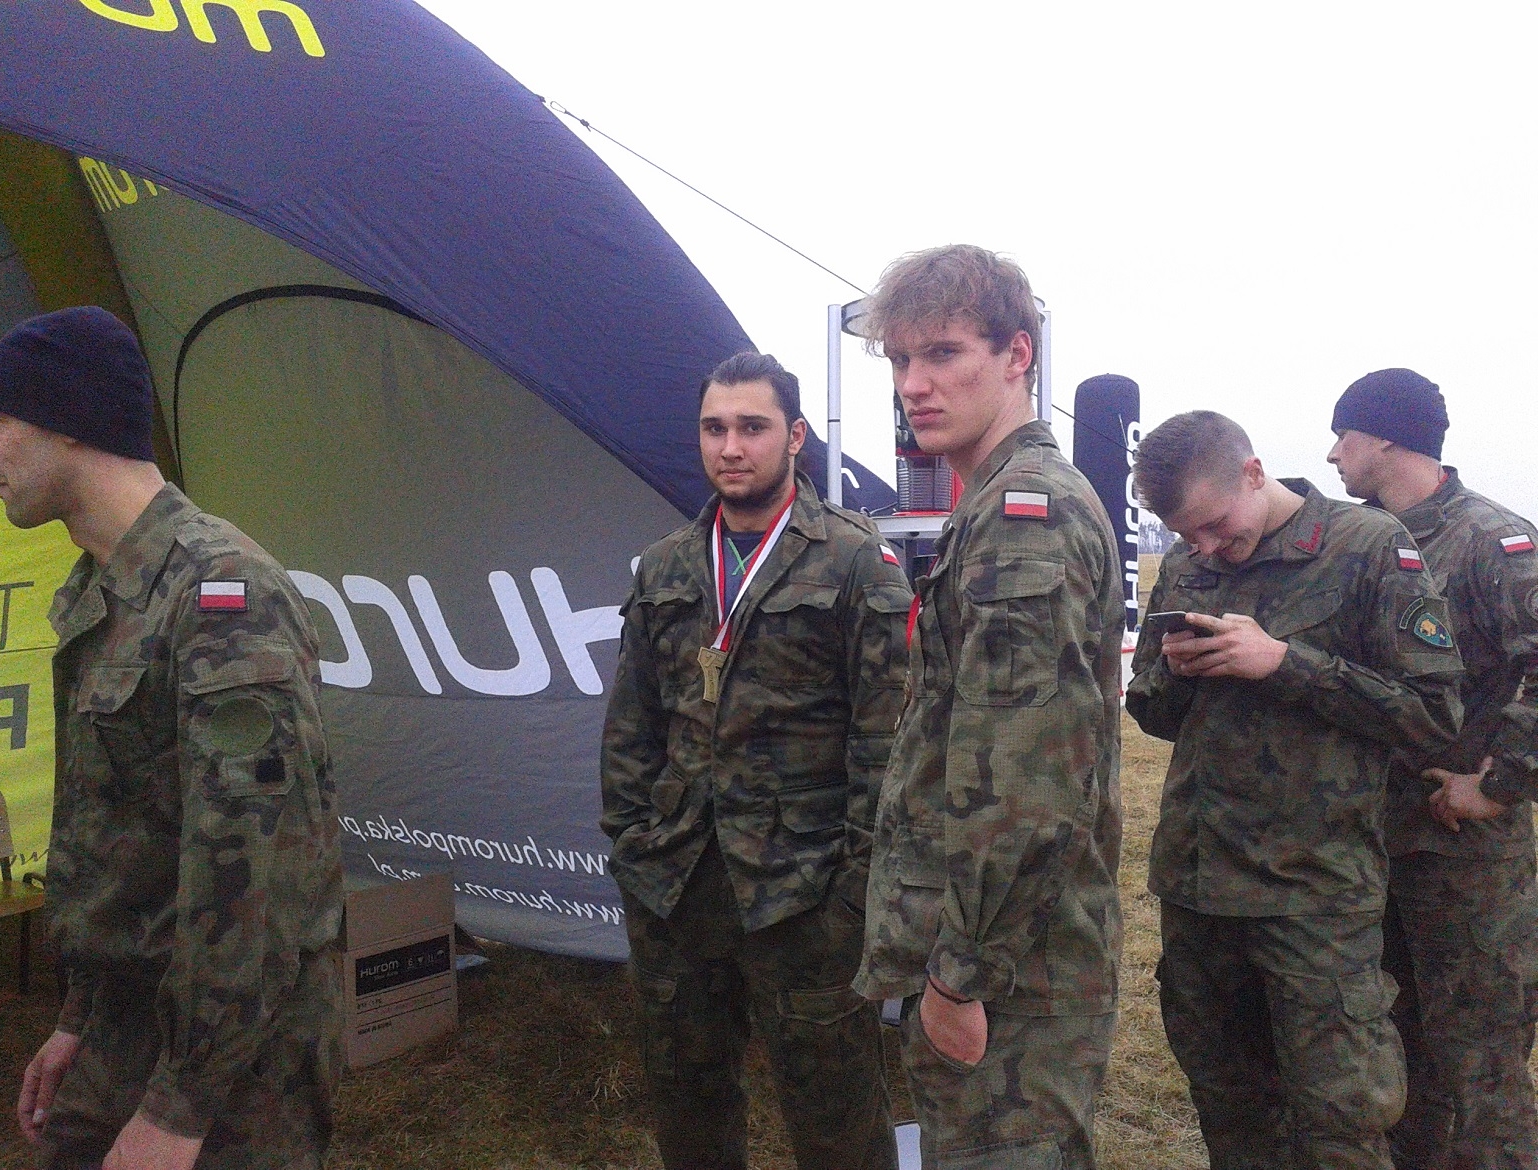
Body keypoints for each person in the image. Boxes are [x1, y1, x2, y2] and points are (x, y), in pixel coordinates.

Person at [0, 306, 342, 1170]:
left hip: (232, 1072)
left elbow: (256, 881)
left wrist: (177, 1114)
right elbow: (118, 842)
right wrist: (80, 1018)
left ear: (67, 418)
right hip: (131, 1026)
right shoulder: (102, 591)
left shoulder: (223, 596)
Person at [1126, 409, 1465, 1170]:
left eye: (1216, 526)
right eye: (1187, 536)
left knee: (1341, 1116)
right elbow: (1153, 711)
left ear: (1253, 473)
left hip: (1314, 893)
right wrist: (1174, 674)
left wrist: (1286, 664)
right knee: (1230, 1106)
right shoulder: (1189, 565)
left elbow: (1434, 714)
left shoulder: (1368, 547)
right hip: (1199, 887)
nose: (1206, 548)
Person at [599, 350, 910, 1170]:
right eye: (714, 428)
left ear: (796, 436)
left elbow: (886, 743)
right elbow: (632, 724)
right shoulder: (667, 564)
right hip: (678, 885)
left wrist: (854, 894)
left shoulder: (853, 560)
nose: (730, 447)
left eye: (752, 427)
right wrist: (632, 847)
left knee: (838, 1117)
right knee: (688, 1104)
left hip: (803, 894)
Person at [852, 245, 1125, 1169]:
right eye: (900, 360)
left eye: (942, 354)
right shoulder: (997, 503)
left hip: (1012, 967)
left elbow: (1028, 783)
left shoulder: (1022, 520)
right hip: (1005, 944)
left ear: (1017, 355)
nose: (913, 385)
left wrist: (961, 977)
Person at [1327, 367, 1538, 1169]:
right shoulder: (1363, 541)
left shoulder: (1491, 540)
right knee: (1397, 1055)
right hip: (1372, 846)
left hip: (1465, 855)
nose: (1333, 454)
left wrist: (1499, 786)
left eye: (1344, 435)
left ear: (1384, 438)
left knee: (1482, 1062)